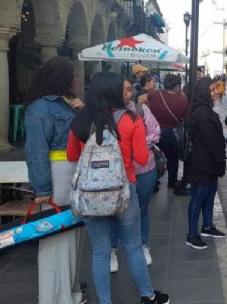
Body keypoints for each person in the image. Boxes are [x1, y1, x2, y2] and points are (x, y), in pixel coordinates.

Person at [67, 72, 169, 304]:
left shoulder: (80, 120)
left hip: (90, 195)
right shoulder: (131, 119)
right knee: (133, 245)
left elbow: (72, 155)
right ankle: (148, 295)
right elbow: (143, 159)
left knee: (101, 251)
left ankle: (105, 302)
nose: (130, 92)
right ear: (114, 92)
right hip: (124, 191)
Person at [25, 57, 86, 304]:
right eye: (73, 75)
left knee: (73, 237)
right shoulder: (40, 108)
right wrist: (42, 188)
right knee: (55, 239)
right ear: (62, 79)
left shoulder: (70, 105)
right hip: (57, 174)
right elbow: (36, 150)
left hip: (74, 173)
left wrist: (84, 112)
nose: (78, 80)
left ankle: (70, 291)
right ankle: (54, 298)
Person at [109, 80, 160, 273]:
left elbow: (155, 132)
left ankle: (143, 245)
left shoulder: (140, 110)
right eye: (122, 90)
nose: (126, 94)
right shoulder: (105, 112)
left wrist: (138, 142)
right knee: (114, 212)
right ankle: (112, 250)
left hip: (144, 168)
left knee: (142, 209)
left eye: (129, 90)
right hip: (116, 172)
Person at [185, 77, 227, 250]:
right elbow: (210, 140)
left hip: (209, 162)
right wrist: (221, 159)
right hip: (202, 163)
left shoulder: (205, 109)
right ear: (203, 92)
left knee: (210, 195)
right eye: (211, 89)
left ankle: (207, 226)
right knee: (199, 197)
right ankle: (192, 234)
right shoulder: (202, 111)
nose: (215, 92)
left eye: (215, 89)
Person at [141, 74, 188, 190]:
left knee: (153, 156)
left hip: (153, 132)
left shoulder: (156, 94)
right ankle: (172, 182)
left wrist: (148, 113)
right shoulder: (182, 101)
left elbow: (140, 99)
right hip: (171, 134)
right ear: (177, 86)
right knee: (173, 158)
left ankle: (153, 182)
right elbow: (186, 118)